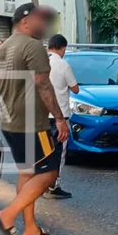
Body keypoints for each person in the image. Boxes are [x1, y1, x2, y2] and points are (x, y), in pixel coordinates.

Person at [0, 3, 68, 235]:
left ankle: (30, 229)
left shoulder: (3, 48)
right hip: (32, 124)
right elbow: (43, 84)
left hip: (10, 122)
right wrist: (59, 117)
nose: (42, 25)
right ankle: (8, 214)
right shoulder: (32, 46)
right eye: (38, 20)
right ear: (25, 21)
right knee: (49, 172)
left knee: (28, 172)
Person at [44, 34, 79, 200]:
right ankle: (53, 186)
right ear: (63, 48)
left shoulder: (40, 63)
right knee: (58, 153)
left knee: (45, 151)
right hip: (60, 118)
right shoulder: (62, 65)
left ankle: (42, 184)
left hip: (41, 117)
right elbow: (75, 89)